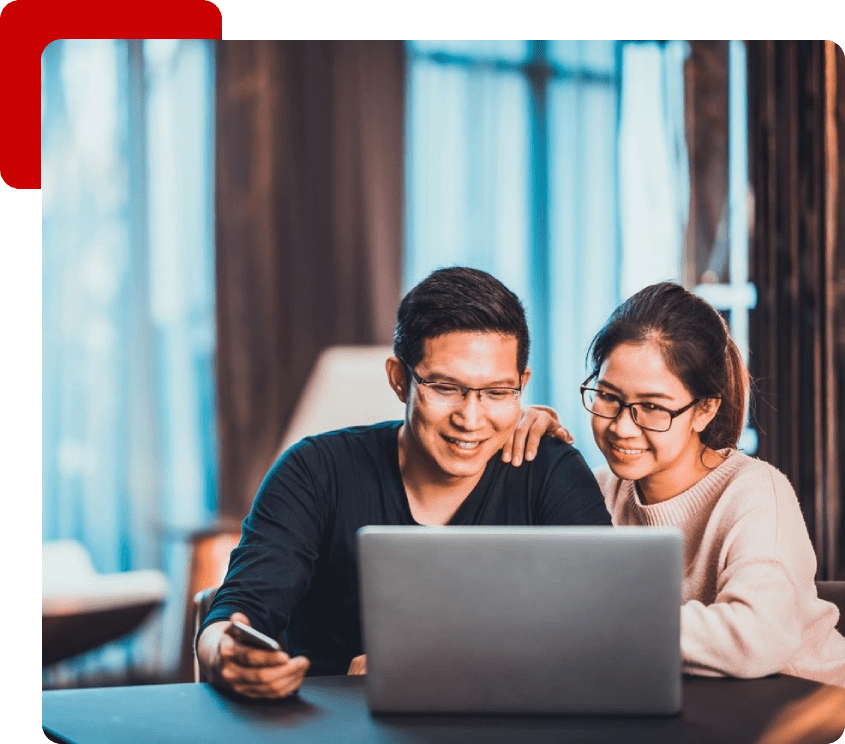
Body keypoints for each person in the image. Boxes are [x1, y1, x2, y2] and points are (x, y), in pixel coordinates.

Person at [197, 266, 611, 698]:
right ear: (399, 379)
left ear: (521, 386)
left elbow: (607, 622)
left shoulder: (550, 471)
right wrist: (224, 653)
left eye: (496, 392)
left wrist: (439, 667)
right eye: (445, 387)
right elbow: (235, 612)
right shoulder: (314, 472)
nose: (471, 419)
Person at [581, 281, 845, 686]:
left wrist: (593, 625)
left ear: (704, 410)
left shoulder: (755, 492)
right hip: (695, 710)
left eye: (651, 407)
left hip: (806, 711)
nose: (621, 427)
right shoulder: (597, 490)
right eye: (608, 396)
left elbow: (755, 636)